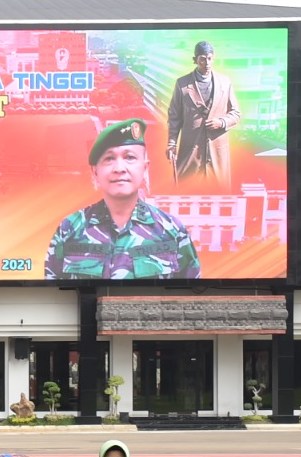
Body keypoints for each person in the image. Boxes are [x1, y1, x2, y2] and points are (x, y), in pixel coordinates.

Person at [45, 118, 202, 280]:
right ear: (95, 172)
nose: (119, 169)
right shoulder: (70, 228)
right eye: (109, 159)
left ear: (145, 168)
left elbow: (190, 294)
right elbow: (53, 292)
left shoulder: (172, 230)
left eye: (130, 157)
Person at [167, 41, 241, 189]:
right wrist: (171, 143)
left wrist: (222, 122)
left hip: (217, 149)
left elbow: (236, 113)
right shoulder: (182, 84)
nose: (206, 62)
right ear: (195, 60)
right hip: (191, 148)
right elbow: (174, 116)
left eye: (209, 58)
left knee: (220, 195)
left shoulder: (225, 83)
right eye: (202, 58)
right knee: (185, 191)